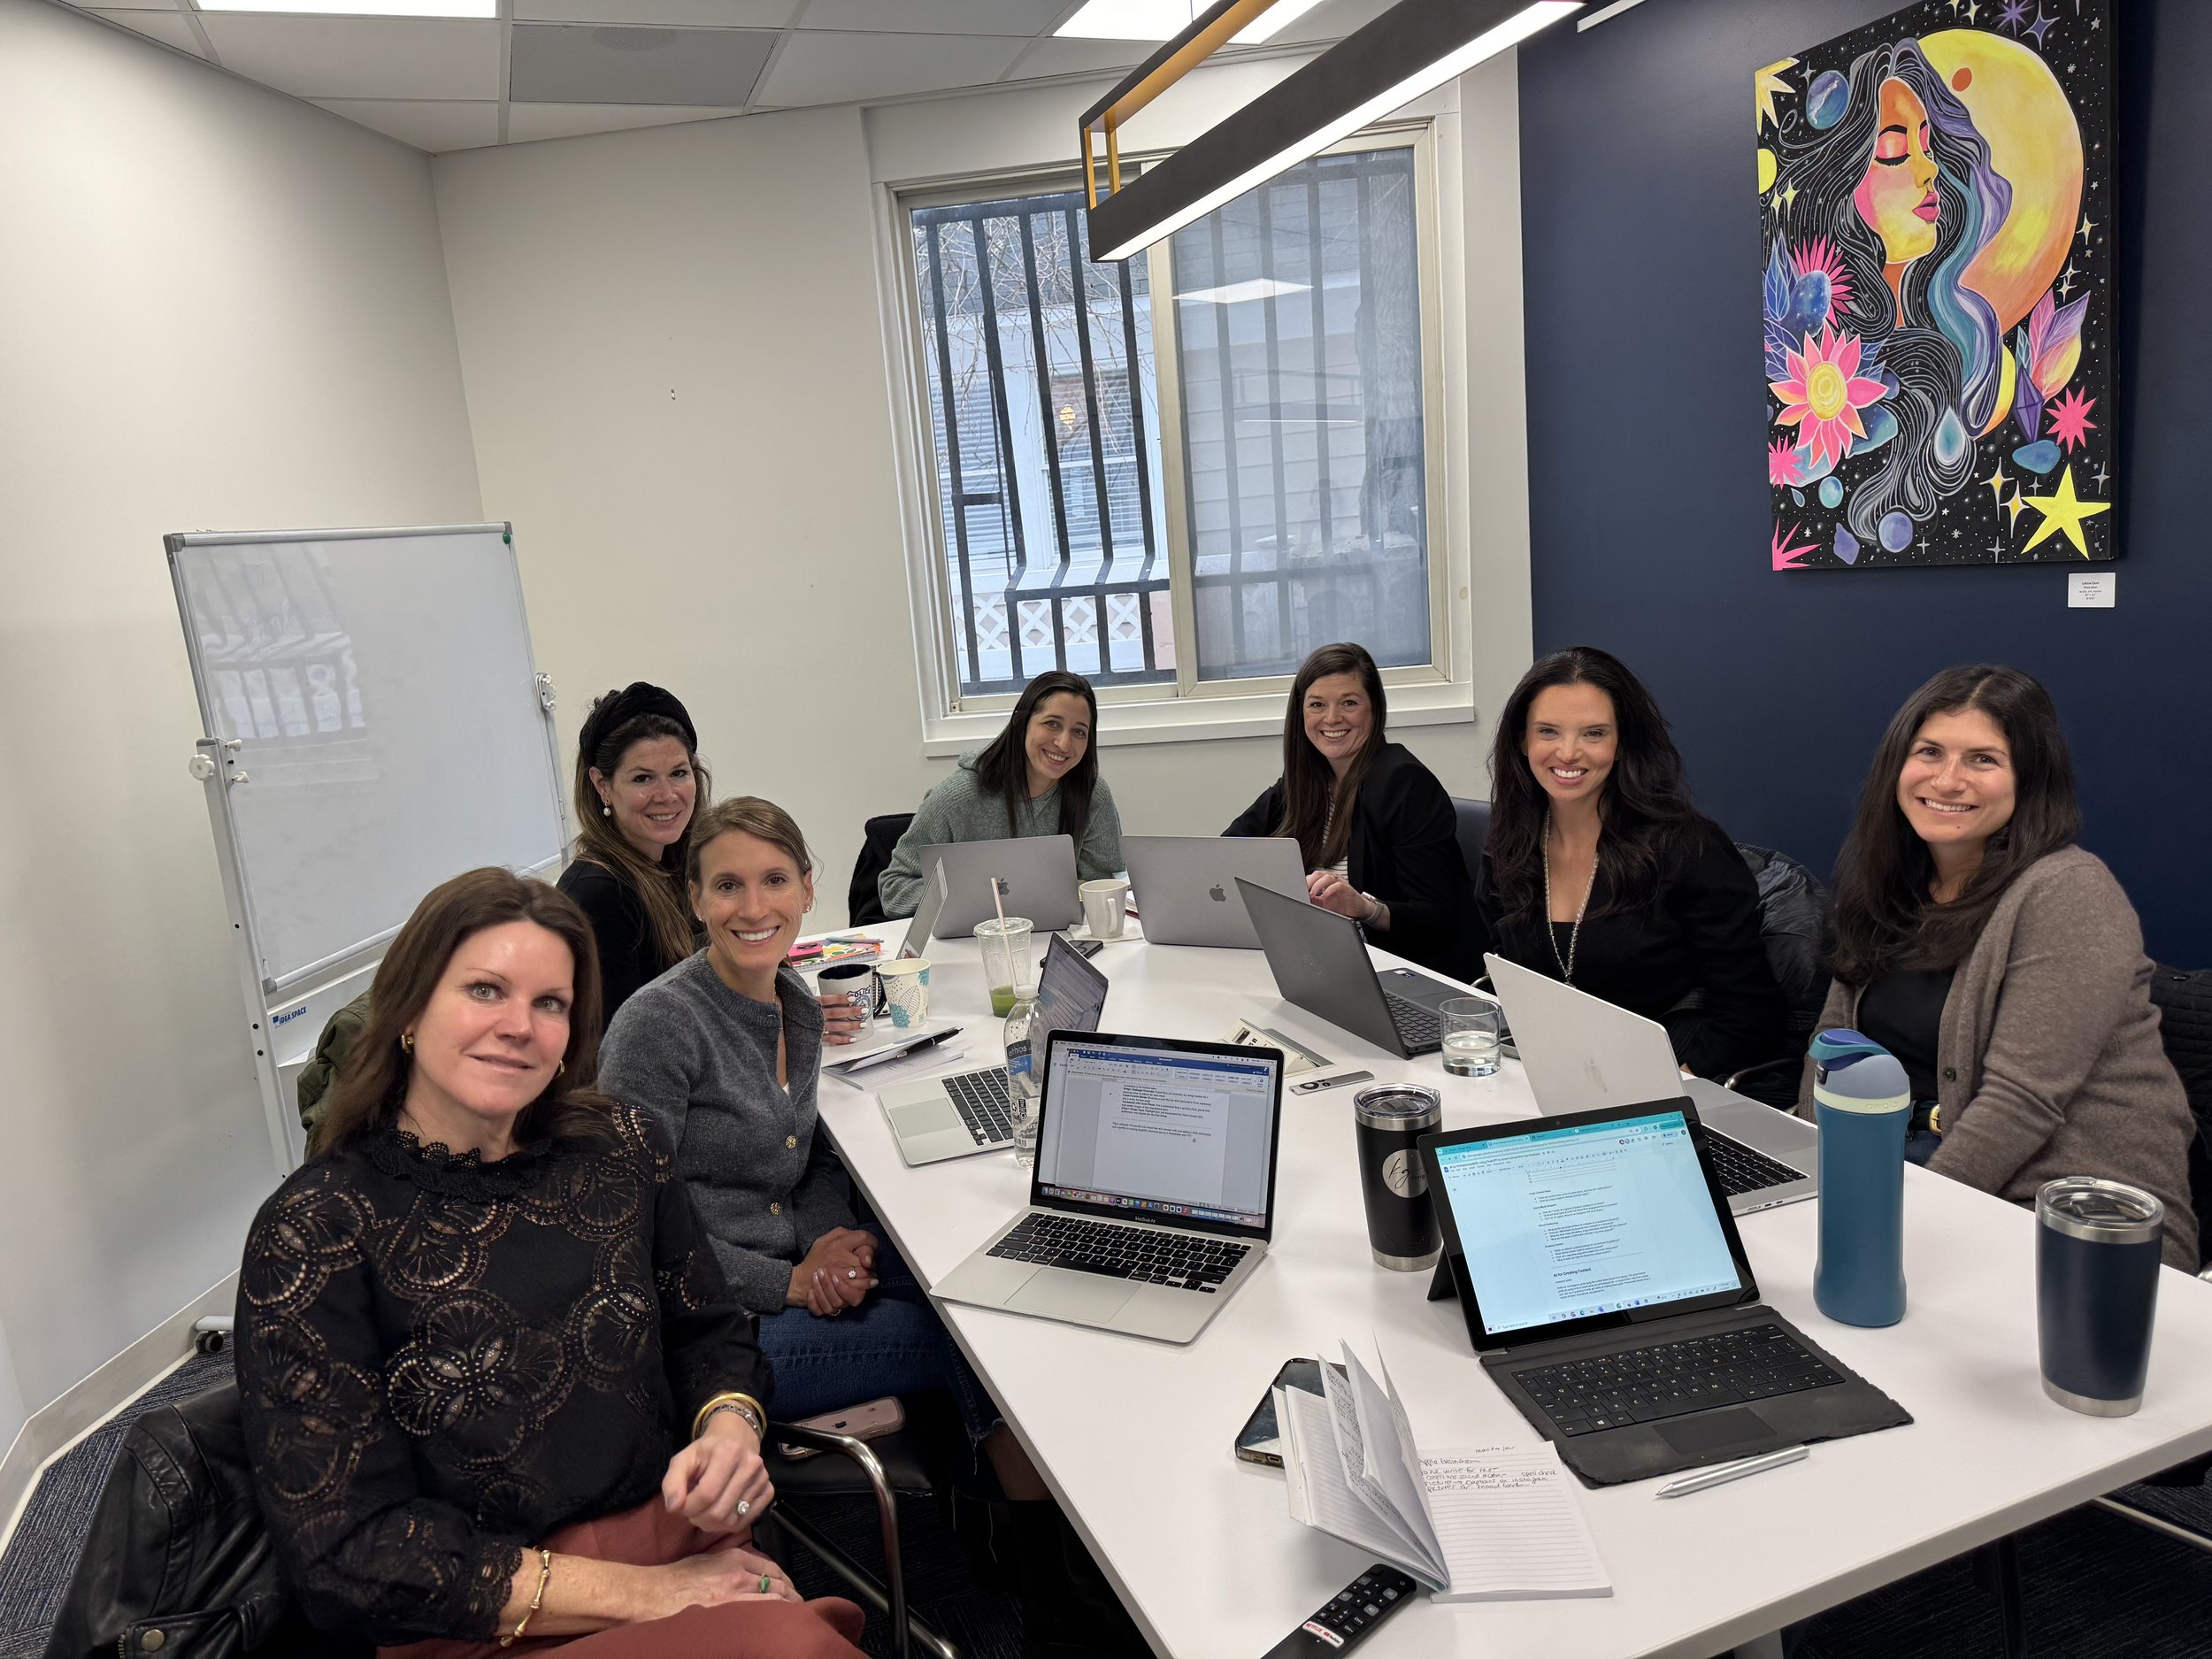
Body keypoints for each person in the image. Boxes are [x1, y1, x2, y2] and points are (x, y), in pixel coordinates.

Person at [234, 868, 865, 1657]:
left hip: (684, 1545)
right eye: (485, 991)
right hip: (477, 1614)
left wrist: (730, 1429)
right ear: (407, 1010)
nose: (519, 1026)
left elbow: (710, 1333)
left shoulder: (619, 1147)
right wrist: (650, 1595)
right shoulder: (317, 1228)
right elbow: (350, 1553)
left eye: (550, 1003)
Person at [1803, 665, 2198, 1267]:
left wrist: (1896, 1225)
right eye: (1929, 751)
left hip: (2063, 1213)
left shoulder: (2069, 892)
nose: (1948, 779)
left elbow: (2021, 1105)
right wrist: (1803, 1174)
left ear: (2029, 780)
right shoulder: (1891, 882)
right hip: (1902, 1167)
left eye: (1983, 759)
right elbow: (1832, 1049)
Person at [1480, 647, 1786, 1081]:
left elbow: (1751, 1013)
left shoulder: (1688, 847)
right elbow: (1501, 973)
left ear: (1623, 743)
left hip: (1661, 1081)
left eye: (1593, 734)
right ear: (1522, 740)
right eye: (1548, 731)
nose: (1567, 753)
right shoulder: (1507, 844)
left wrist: (1676, 1078)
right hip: (1546, 1071)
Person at [1224, 641, 1477, 981]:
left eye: (1349, 703)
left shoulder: (1404, 783)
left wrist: (1365, 909)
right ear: (1301, 713)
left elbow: (1439, 920)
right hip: (1319, 961)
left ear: (1374, 710)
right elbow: (1228, 852)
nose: (1332, 718)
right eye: (1317, 705)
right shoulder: (1304, 780)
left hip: (1399, 972)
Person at [878, 670, 1123, 920]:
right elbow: (895, 889)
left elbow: (1105, 887)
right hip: (973, 944)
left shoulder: (1093, 794)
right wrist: (972, 896)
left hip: (1059, 942)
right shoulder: (956, 797)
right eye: (1052, 724)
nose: (1064, 743)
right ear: (1021, 722)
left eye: (1079, 732)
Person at [559, 682, 710, 1028]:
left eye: (678, 773)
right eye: (643, 778)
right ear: (602, 785)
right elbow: (623, 1048)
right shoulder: (598, 897)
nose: (667, 795)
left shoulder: (679, 863)